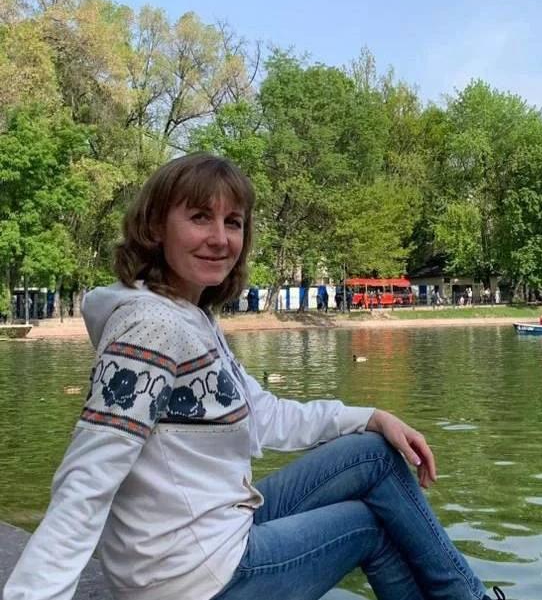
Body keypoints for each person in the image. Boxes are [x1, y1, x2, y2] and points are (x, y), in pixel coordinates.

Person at [3, 153, 501, 600]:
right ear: (155, 226)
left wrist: (371, 416)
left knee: (374, 453)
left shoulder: (190, 317)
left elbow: (262, 415)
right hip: (191, 577)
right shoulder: (152, 328)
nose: (220, 238)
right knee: (369, 526)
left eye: (233, 222)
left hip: (212, 535)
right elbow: (87, 479)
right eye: (200, 217)